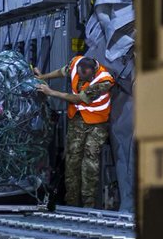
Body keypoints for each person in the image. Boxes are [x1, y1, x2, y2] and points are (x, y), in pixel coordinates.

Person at [34, 55, 114, 208]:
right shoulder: (76, 62)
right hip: (77, 119)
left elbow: (79, 99)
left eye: (86, 77)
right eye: (79, 75)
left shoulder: (104, 81)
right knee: (72, 161)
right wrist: (42, 77)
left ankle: (88, 205)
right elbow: (62, 71)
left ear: (93, 72)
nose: (81, 80)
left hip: (97, 123)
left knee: (89, 162)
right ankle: (71, 204)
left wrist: (50, 92)